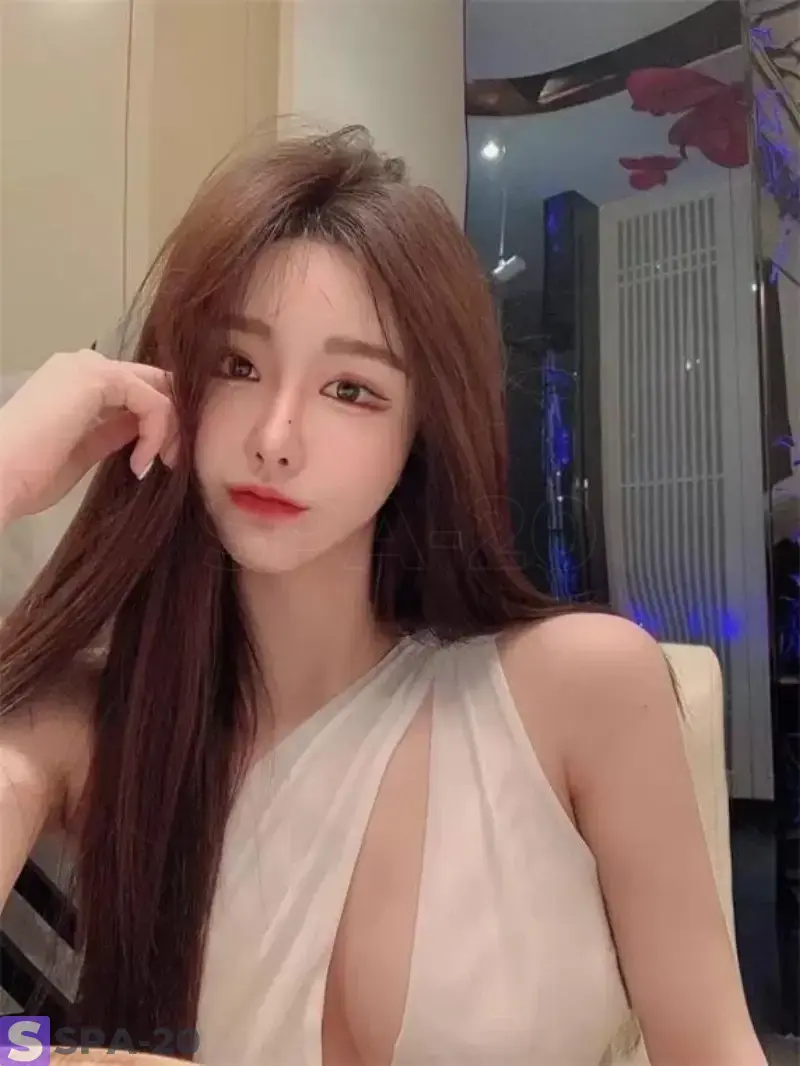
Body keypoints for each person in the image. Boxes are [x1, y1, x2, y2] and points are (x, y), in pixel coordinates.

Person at [0, 127, 766, 1066]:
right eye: (237, 366)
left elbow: (715, 1050)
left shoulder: (579, 690)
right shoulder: (93, 724)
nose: (276, 436)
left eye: (351, 389)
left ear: (421, 430)